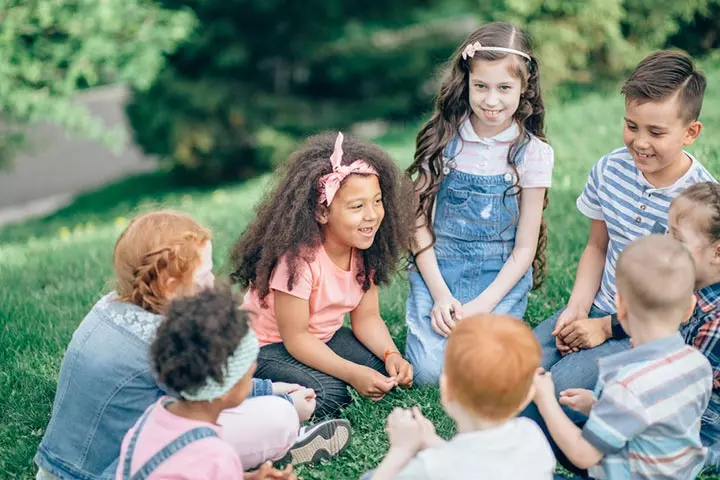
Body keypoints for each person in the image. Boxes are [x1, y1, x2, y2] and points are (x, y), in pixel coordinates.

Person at [35, 210, 347, 480]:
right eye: (204, 276)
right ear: (170, 287)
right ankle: (288, 439)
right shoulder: (165, 336)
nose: (212, 282)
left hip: (56, 467)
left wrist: (273, 387)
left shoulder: (108, 308)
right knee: (276, 418)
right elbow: (215, 390)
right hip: (116, 470)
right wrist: (284, 401)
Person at [531, 49, 715, 395]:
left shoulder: (700, 204)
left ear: (691, 132)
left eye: (656, 133)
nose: (640, 142)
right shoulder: (609, 169)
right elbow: (597, 246)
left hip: (650, 329)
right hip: (601, 304)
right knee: (517, 362)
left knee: (562, 389)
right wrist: (577, 308)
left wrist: (605, 328)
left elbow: (684, 302)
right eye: (632, 126)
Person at [403, 21, 554, 385]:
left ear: (524, 88)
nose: (491, 100)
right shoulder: (443, 139)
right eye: (481, 86)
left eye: (505, 87)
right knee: (428, 374)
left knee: (485, 370)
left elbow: (524, 249)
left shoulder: (533, 154)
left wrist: (482, 306)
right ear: (466, 83)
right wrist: (441, 296)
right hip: (440, 272)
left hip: (498, 278)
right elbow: (416, 223)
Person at [233, 132, 415, 417]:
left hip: (321, 338)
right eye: (357, 206)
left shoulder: (363, 250)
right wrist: (351, 373)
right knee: (330, 395)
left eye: (377, 201)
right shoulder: (297, 262)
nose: (372, 215)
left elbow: (367, 318)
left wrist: (392, 355)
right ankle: (255, 392)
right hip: (268, 349)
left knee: (379, 368)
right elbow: (297, 338)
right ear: (321, 212)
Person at [533, 235, 712, 479]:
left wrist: (545, 400)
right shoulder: (698, 363)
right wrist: (598, 406)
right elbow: (668, 422)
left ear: (620, 307)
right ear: (690, 307)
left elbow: (583, 455)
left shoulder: (625, 384)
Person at [117, 288, 296, 479]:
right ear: (225, 388)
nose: (254, 367)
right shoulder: (216, 457)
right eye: (248, 366)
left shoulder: (150, 418)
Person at [364, 314, 555, 479]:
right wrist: (430, 441)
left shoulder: (430, 468)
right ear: (528, 395)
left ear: (446, 389)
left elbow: (451, 465)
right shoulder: (533, 437)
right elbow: (477, 464)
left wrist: (400, 450)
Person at [667, 182, 720, 470]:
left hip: (709, 413)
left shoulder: (715, 323)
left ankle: (707, 456)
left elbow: (689, 390)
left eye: (678, 240)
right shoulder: (688, 285)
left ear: (717, 252)